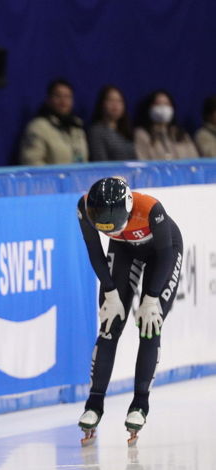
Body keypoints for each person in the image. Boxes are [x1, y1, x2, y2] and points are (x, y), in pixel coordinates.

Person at [76, 176, 182, 445]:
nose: (108, 230)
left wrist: (151, 298)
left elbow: (167, 257)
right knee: (109, 326)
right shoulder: (86, 207)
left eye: (114, 225)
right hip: (123, 252)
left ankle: (140, 404)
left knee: (149, 323)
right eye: (104, 228)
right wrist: (110, 292)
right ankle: (94, 403)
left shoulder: (150, 209)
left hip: (163, 253)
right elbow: (94, 250)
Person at [19, 78, 88, 165]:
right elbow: (32, 163)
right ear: (48, 99)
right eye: (58, 96)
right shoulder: (38, 127)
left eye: (67, 97)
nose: (63, 101)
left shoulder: (77, 124)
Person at [133, 90, 199, 160]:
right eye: (158, 104)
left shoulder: (181, 134)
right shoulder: (142, 134)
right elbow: (142, 160)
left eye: (167, 104)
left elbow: (194, 159)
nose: (163, 108)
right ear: (149, 108)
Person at [87, 85, 136, 161]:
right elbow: (101, 162)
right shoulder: (96, 132)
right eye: (110, 100)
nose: (115, 105)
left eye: (119, 101)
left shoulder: (126, 131)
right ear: (102, 104)